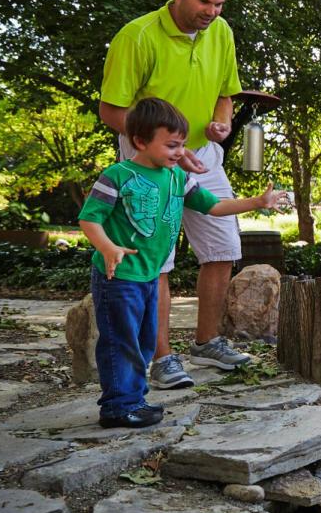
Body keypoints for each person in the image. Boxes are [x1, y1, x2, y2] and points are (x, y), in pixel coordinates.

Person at [79, 98, 289, 428]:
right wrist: (107, 248)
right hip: (118, 275)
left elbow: (214, 207)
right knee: (122, 340)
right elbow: (89, 219)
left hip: (148, 275)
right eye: (172, 145)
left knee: (146, 340)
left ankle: (133, 399)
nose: (180, 152)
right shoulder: (118, 175)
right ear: (140, 141)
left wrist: (258, 202)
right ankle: (118, 406)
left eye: (182, 144)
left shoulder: (178, 178)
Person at [99, 0, 248, 390]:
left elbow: (226, 92)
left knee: (223, 248)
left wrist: (222, 122)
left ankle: (207, 340)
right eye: (204, 2)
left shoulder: (220, 32)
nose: (212, 12)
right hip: (149, 157)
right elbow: (112, 110)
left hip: (204, 155)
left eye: (219, 4)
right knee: (157, 260)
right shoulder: (137, 36)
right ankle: (162, 358)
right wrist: (167, 146)